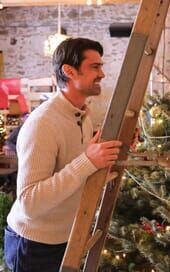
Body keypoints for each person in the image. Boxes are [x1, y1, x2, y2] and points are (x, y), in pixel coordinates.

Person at [4, 38, 123, 272]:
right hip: (34, 244)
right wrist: (87, 161)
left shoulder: (82, 116)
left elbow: (76, 175)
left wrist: (105, 162)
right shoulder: (43, 124)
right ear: (69, 71)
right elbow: (29, 203)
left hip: (66, 236)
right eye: (94, 67)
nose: (102, 74)